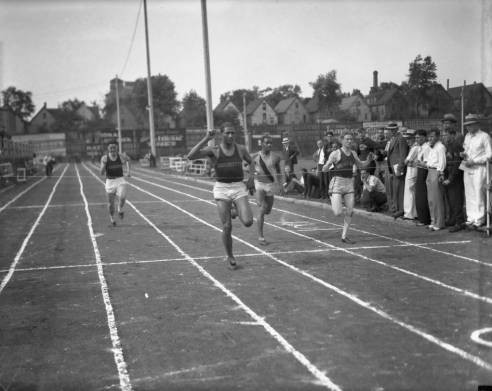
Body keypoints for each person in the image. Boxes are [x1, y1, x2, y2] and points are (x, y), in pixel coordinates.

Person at [186, 123, 254, 268]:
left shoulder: (241, 149)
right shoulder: (214, 150)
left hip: (238, 187)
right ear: (221, 135)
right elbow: (190, 156)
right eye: (228, 133)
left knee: (248, 222)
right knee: (227, 226)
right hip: (222, 189)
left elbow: (251, 161)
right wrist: (206, 138)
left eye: (233, 133)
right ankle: (230, 256)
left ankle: (234, 210)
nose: (231, 136)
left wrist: (252, 177)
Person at [322, 132, 373, 244]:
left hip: (349, 183)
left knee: (350, 211)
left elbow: (362, 165)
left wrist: (369, 160)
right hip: (337, 183)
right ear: (342, 141)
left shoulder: (354, 153)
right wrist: (326, 167)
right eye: (347, 139)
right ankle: (333, 196)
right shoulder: (336, 153)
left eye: (351, 139)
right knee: (337, 213)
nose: (349, 141)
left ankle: (344, 236)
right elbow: (325, 168)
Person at [459, 114, 492, 229]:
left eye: (470, 125)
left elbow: (489, 155)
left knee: (478, 192)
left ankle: (479, 219)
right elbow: (466, 149)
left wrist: (475, 161)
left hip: (479, 167)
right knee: (469, 192)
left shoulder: (484, 136)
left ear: (477, 124)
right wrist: (463, 153)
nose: (468, 127)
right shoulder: (467, 136)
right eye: (467, 125)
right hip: (467, 166)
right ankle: (471, 218)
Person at [250, 135, 284, 245]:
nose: (269, 145)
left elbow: (278, 172)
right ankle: (261, 237)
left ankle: (262, 209)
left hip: (270, 185)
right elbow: (247, 168)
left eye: (271, 143)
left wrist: (280, 185)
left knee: (268, 210)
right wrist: (252, 174)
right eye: (267, 143)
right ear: (262, 144)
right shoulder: (254, 156)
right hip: (258, 184)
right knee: (262, 208)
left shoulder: (275, 157)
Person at [440, 114, 465, 232]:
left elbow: (457, 161)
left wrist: (450, 176)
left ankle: (459, 221)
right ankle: (452, 218)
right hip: (447, 170)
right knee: (449, 197)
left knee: (456, 198)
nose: (446, 125)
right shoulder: (446, 141)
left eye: (448, 123)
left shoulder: (458, 139)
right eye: (444, 123)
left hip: (455, 172)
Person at [100, 141, 131, 227]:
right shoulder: (105, 158)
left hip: (120, 179)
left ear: (116, 150)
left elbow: (128, 160)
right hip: (110, 181)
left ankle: (120, 209)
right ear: (108, 151)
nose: (113, 153)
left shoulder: (120, 156)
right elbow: (101, 173)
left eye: (114, 151)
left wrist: (128, 171)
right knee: (111, 203)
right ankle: (112, 218)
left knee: (123, 196)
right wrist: (104, 165)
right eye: (111, 151)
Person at [423, 128, 447, 231]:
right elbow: (429, 161)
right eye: (429, 136)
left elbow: (442, 162)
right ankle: (433, 221)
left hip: (436, 172)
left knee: (437, 199)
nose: (430, 138)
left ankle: (439, 222)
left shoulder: (440, 147)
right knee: (431, 199)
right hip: (429, 171)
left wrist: (441, 173)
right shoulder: (432, 147)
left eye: (432, 136)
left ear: (437, 136)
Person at [386, 122, 409, 219]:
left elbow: (403, 154)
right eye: (390, 129)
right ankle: (396, 208)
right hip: (392, 167)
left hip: (398, 168)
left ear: (397, 129)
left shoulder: (401, 139)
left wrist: (400, 167)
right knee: (395, 189)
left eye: (393, 129)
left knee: (400, 189)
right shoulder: (392, 139)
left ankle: (401, 209)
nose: (391, 131)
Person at [414, 129, 432, 227]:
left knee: (422, 195)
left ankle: (425, 219)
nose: (417, 139)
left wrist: (419, 163)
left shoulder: (426, 147)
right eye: (416, 137)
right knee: (419, 195)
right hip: (420, 170)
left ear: (424, 137)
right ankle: (422, 218)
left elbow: (427, 163)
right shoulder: (420, 147)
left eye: (419, 137)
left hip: (424, 172)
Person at [403, 129, 418, 220]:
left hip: (412, 171)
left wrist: (407, 162)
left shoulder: (415, 148)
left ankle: (409, 213)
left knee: (409, 192)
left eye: (409, 139)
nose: (407, 141)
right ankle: (413, 213)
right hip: (412, 170)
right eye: (407, 139)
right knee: (411, 192)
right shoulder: (413, 147)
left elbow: (406, 161)